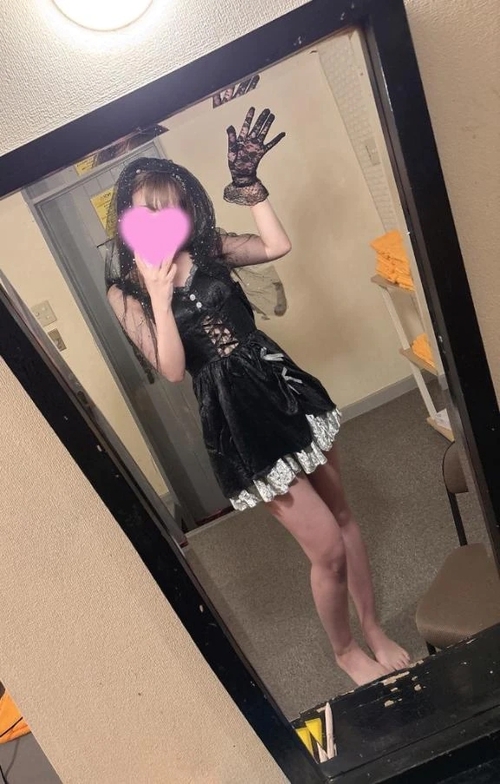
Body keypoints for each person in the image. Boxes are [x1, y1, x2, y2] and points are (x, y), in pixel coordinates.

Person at [105, 106, 410, 686]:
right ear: (128, 218)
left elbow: (276, 244)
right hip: (235, 418)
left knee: (344, 516)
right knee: (325, 548)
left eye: (170, 205)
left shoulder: (210, 247)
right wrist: (159, 297)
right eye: (147, 209)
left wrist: (250, 185)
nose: (161, 217)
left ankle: (372, 628)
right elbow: (172, 370)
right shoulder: (126, 292)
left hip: (281, 384)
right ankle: (345, 650)